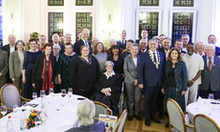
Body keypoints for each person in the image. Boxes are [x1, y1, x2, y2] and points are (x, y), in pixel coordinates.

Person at [138, 39, 165, 126]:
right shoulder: (143, 55)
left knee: (155, 101)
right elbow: (140, 70)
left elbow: (162, 69)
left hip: (158, 82)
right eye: (151, 44)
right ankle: (147, 118)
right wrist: (140, 82)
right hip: (148, 82)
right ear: (148, 45)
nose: (153, 45)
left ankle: (153, 116)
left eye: (154, 44)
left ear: (157, 45)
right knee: (147, 101)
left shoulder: (161, 54)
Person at [161, 48, 188, 127]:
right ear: (170, 54)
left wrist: (184, 88)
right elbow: (164, 76)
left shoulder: (182, 64)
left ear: (178, 55)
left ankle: (177, 123)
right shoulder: (167, 63)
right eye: (172, 53)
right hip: (168, 88)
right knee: (168, 106)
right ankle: (170, 121)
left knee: (177, 106)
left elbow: (185, 77)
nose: (174, 55)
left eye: (176, 53)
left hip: (178, 89)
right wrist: (163, 87)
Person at [124, 44, 141, 121]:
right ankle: (130, 113)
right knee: (130, 98)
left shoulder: (141, 58)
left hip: (139, 81)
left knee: (137, 99)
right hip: (129, 81)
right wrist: (133, 80)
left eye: (136, 49)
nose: (134, 50)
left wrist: (137, 79)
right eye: (133, 49)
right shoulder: (127, 58)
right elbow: (125, 71)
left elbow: (143, 70)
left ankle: (137, 113)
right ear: (130, 50)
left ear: (138, 50)